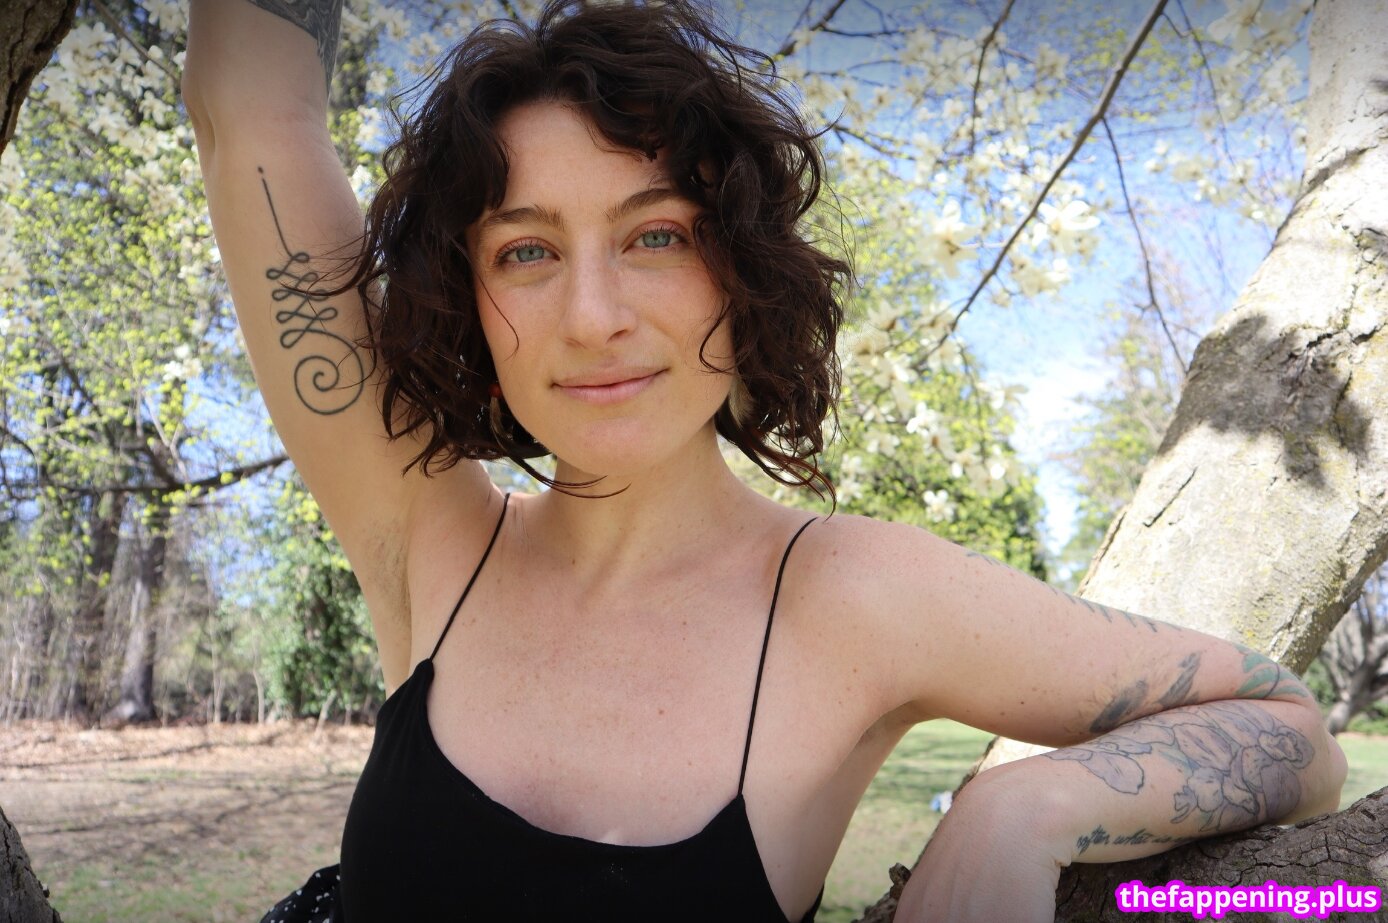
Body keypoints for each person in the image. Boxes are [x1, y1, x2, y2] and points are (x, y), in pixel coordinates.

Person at [180, 1, 1348, 920]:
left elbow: (1282, 722)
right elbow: (249, 108)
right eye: (526, 251)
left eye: (655, 235)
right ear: (470, 301)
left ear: (737, 270)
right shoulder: (428, 530)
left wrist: (1023, 807)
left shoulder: (855, 596)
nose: (592, 316)